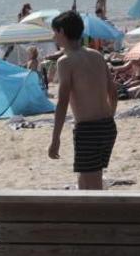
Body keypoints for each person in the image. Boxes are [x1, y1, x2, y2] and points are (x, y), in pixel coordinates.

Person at [48, 11, 118, 190]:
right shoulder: (96, 55)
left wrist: (55, 138)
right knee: (87, 178)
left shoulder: (65, 62)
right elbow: (113, 90)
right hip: (108, 126)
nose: (53, 36)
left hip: (88, 129)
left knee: (91, 186)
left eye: (55, 32)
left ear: (62, 32)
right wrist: (111, 114)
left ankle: (98, 218)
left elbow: (63, 102)